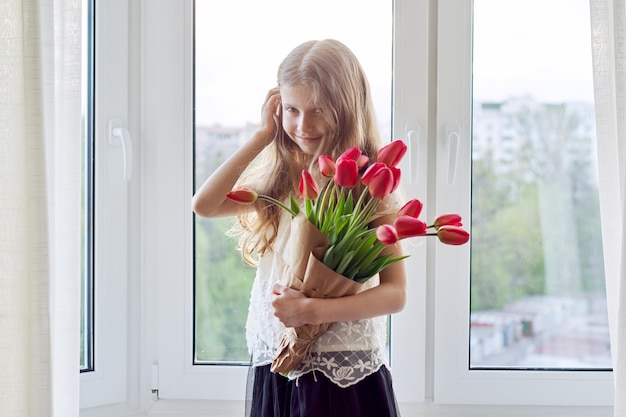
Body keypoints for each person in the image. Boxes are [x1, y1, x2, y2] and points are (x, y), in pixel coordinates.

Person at [192, 39, 406, 417]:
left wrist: (312, 310)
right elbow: (204, 205)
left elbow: (395, 294)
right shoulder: (282, 179)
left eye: (318, 110)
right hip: (280, 361)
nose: (302, 125)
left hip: (342, 375)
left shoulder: (369, 184)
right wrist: (262, 136)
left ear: (346, 109)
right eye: (291, 109)